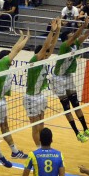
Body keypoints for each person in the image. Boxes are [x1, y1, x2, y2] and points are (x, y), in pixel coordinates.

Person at [0, 30, 30, 168]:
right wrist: (27, 38)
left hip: (1, 101)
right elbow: (15, 51)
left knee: (5, 126)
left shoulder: (4, 66)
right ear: (6, 59)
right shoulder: (2, 63)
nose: (12, 60)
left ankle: (14, 151)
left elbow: (14, 49)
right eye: (10, 58)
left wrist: (22, 37)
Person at [51, 17, 89, 143]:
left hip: (68, 76)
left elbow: (87, 34)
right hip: (58, 78)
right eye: (71, 33)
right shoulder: (65, 46)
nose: (74, 34)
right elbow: (77, 34)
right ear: (67, 37)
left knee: (76, 104)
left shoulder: (75, 44)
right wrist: (82, 26)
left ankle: (85, 129)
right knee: (67, 107)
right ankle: (77, 133)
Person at [24, 18, 60, 147]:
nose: (47, 54)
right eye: (45, 53)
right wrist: (52, 30)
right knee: (35, 127)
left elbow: (51, 46)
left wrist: (58, 30)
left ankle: (44, 146)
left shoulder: (44, 60)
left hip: (39, 96)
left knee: (41, 124)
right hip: (30, 97)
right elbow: (46, 46)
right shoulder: (34, 60)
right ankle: (39, 148)